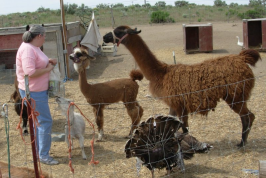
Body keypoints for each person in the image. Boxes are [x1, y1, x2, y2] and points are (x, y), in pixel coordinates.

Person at [16, 24, 59, 165]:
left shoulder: (32, 47)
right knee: (45, 121)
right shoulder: (28, 50)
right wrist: (48, 69)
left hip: (36, 90)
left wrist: (48, 62)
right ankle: (44, 155)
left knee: (37, 122)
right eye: (44, 35)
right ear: (39, 36)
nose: (45, 37)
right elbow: (30, 72)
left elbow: (35, 65)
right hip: (34, 92)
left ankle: (39, 153)